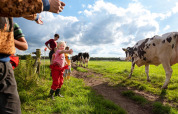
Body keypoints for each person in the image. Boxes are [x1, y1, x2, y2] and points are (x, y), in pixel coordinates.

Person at [0, 1, 65, 113]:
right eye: (56, 36)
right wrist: (45, 4)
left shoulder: (11, 22)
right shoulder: (52, 42)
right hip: (52, 54)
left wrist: (34, 17)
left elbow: (14, 6)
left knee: (13, 108)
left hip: (5, 63)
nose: (56, 37)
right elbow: (7, 3)